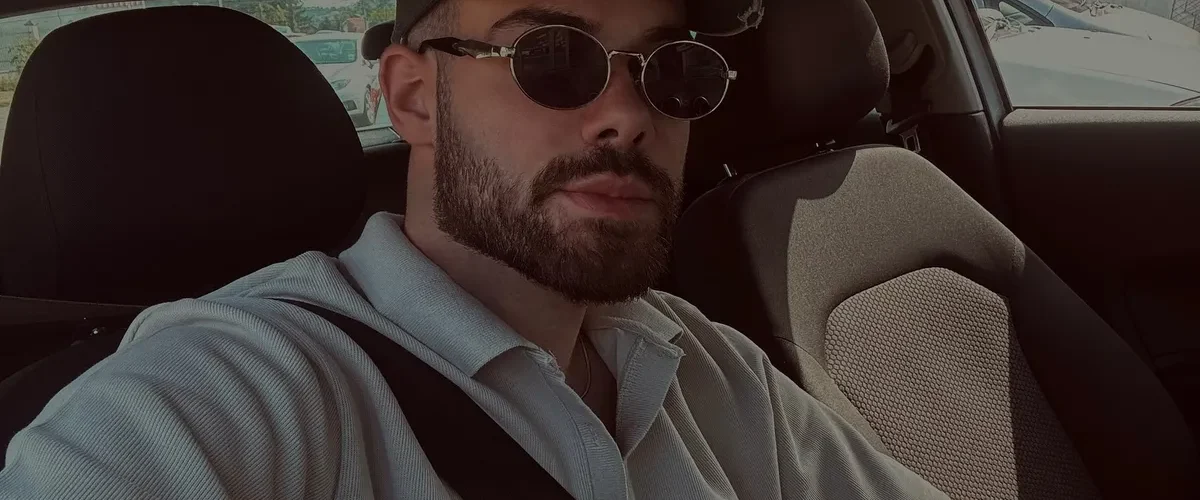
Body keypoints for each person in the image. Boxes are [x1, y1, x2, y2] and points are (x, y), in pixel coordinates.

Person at [0, 0, 949, 498]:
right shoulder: (227, 394)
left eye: (674, 71)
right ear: (415, 99)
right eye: (552, 58)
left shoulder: (708, 367)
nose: (627, 114)